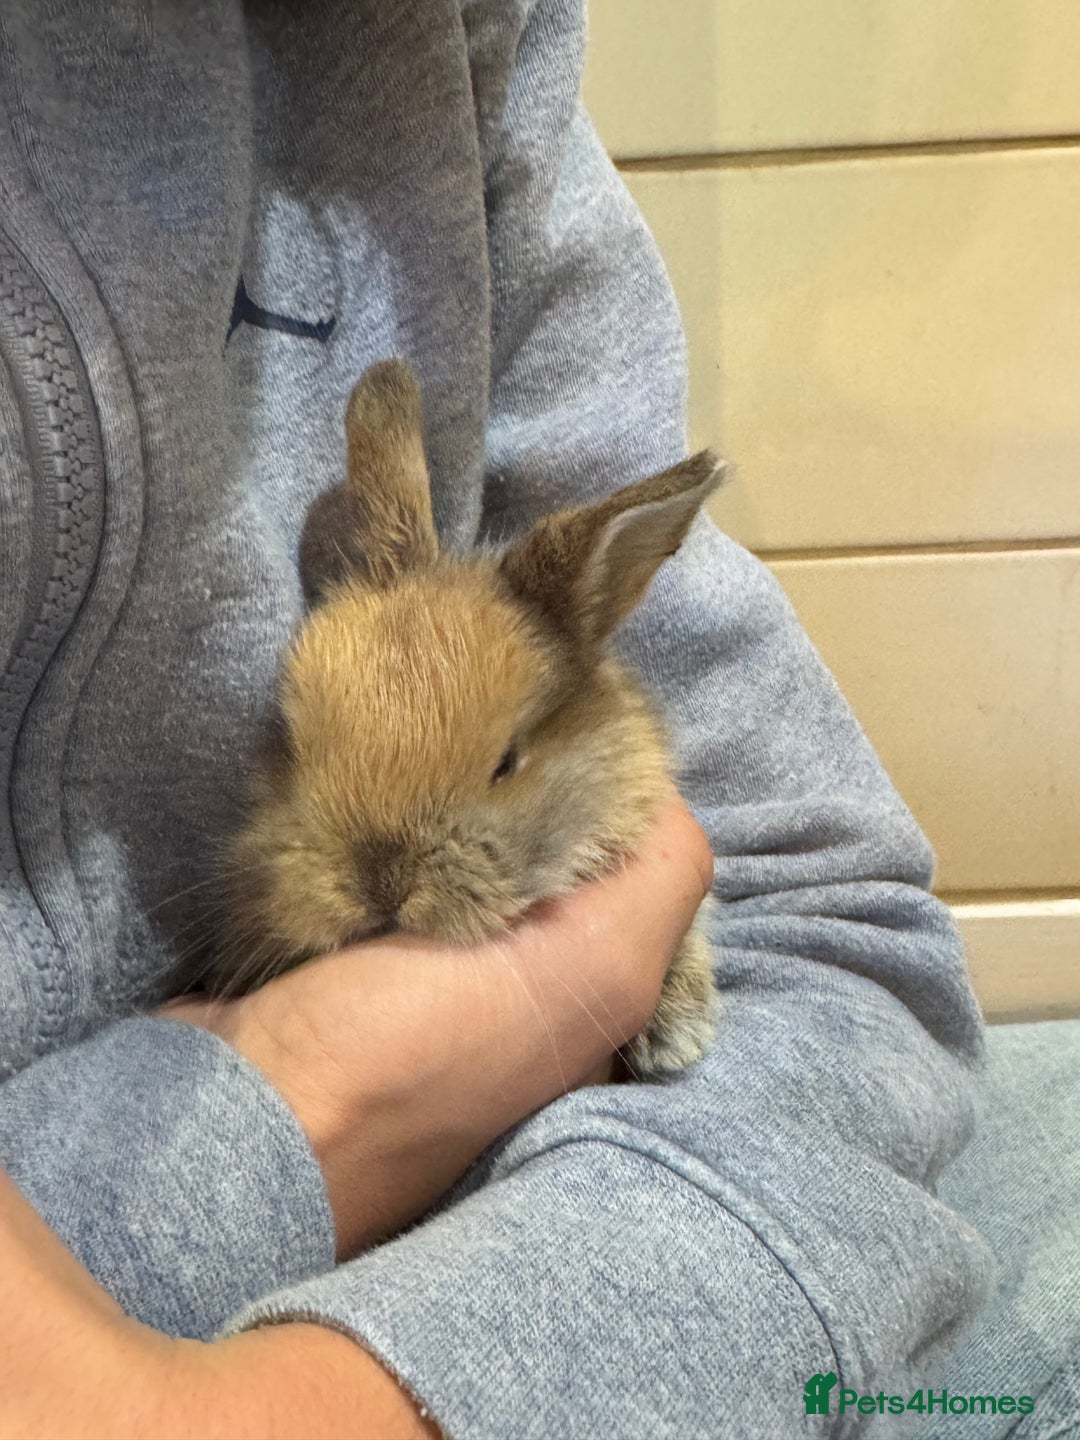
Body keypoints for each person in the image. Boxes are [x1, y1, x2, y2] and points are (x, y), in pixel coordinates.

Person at [2, 1, 1073, 1436]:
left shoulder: (460, 44)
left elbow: (832, 932)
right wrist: (308, 1096)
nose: (381, 882)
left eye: (497, 764)